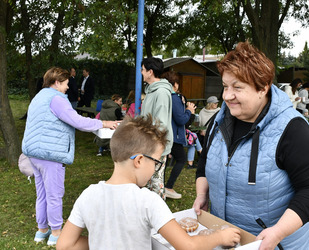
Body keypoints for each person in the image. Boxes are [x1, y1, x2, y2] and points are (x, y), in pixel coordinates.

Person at [193, 41, 309, 250]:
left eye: (237, 87)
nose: (227, 96)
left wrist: (279, 231)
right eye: (225, 86)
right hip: (226, 240)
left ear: (263, 88)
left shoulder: (293, 129)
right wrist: (202, 194)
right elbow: (204, 163)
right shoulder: (218, 123)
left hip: (275, 244)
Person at [56, 115, 241, 250]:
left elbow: (64, 245)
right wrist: (219, 236)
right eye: (156, 161)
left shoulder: (88, 194)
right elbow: (188, 246)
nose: (155, 168)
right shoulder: (148, 200)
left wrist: (103, 241)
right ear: (138, 161)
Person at [21, 67, 118, 246]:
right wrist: (103, 122)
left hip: (34, 153)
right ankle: (56, 233)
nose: (67, 88)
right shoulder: (57, 99)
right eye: (66, 84)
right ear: (57, 83)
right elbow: (77, 121)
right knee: (54, 195)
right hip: (50, 154)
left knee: (42, 194)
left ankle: (41, 231)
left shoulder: (40, 96)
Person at [140, 57, 173, 200]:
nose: (141, 72)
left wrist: (157, 150)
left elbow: (161, 124)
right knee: (146, 182)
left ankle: (159, 218)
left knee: (156, 183)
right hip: (147, 144)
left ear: (150, 72)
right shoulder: (151, 91)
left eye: (142, 70)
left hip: (156, 146)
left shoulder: (161, 92)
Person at [162, 71, 196, 199]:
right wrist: (189, 111)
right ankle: (168, 187)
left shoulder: (164, 96)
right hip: (174, 135)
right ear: (175, 84)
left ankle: (161, 186)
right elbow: (181, 120)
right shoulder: (174, 97)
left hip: (165, 134)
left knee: (163, 161)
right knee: (181, 159)